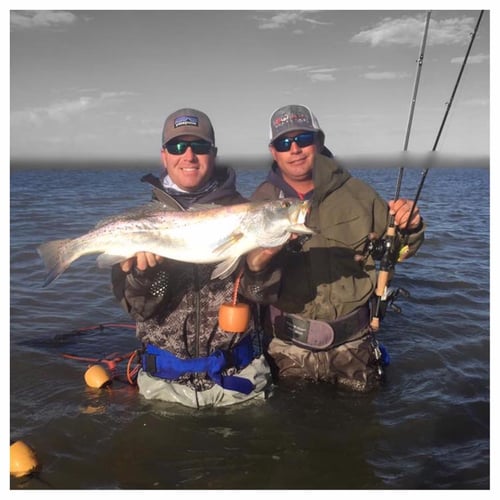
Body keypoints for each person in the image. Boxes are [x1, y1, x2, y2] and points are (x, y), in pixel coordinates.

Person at [239, 104, 425, 392]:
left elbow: (397, 252)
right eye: (284, 142)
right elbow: (251, 288)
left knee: (362, 432)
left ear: (319, 141)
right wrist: (259, 263)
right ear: (273, 151)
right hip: (286, 351)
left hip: (355, 347)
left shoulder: (360, 194)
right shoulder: (257, 205)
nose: (295, 149)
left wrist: (410, 227)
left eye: (303, 139)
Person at [111, 108, 272, 408]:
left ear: (213, 153)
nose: (188, 156)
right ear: (164, 155)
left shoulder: (248, 214)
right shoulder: (141, 223)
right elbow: (138, 310)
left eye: (199, 147)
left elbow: (264, 299)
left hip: (239, 382)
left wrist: (261, 266)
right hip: (164, 388)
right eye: (177, 147)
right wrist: (146, 275)